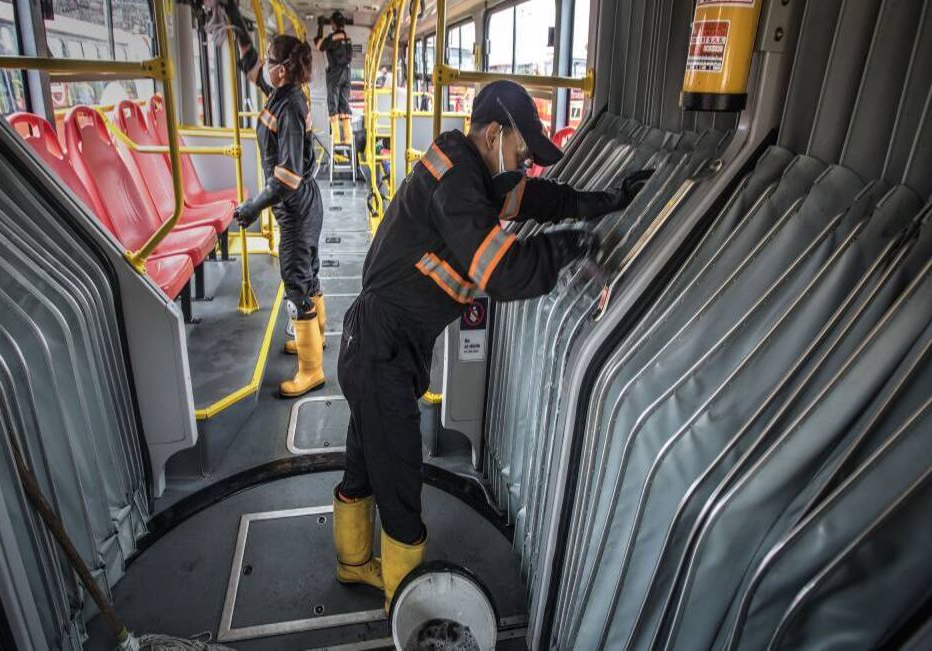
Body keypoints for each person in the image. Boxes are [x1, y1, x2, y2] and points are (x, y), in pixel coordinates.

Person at [331, 79, 653, 611]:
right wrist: (573, 245)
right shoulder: (460, 185)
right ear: (495, 131)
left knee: (368, 460)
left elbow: (546, 198)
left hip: (382, 344)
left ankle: (352, 562)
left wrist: (610, 200)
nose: (526, 166)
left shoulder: (474, 171)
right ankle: (406, 606)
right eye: (523, 153)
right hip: (381, 349)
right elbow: (504, 273)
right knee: (400, 484)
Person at [218, 2, 327, 398]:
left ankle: (311, 369)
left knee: (296, 280)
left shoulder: (291, 106)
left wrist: (251, 207)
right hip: (303, 206)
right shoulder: (281, 92)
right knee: (308, 272)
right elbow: (250, 67)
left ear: (281, 69)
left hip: (296, 209)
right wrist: (233, 18)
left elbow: (287, 177)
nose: (263, 66)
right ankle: (313, 337)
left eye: (269, 61)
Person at [314, 11, 354, 145]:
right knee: (344, 104)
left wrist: (320, 27)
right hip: (347, 73)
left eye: (331, 22)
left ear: (334, 23)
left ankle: (336, 139)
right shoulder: (347, 39)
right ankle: (348, 138)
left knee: (333, 104)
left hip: (336, 73)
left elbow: (319, 45)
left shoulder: (333, 38)